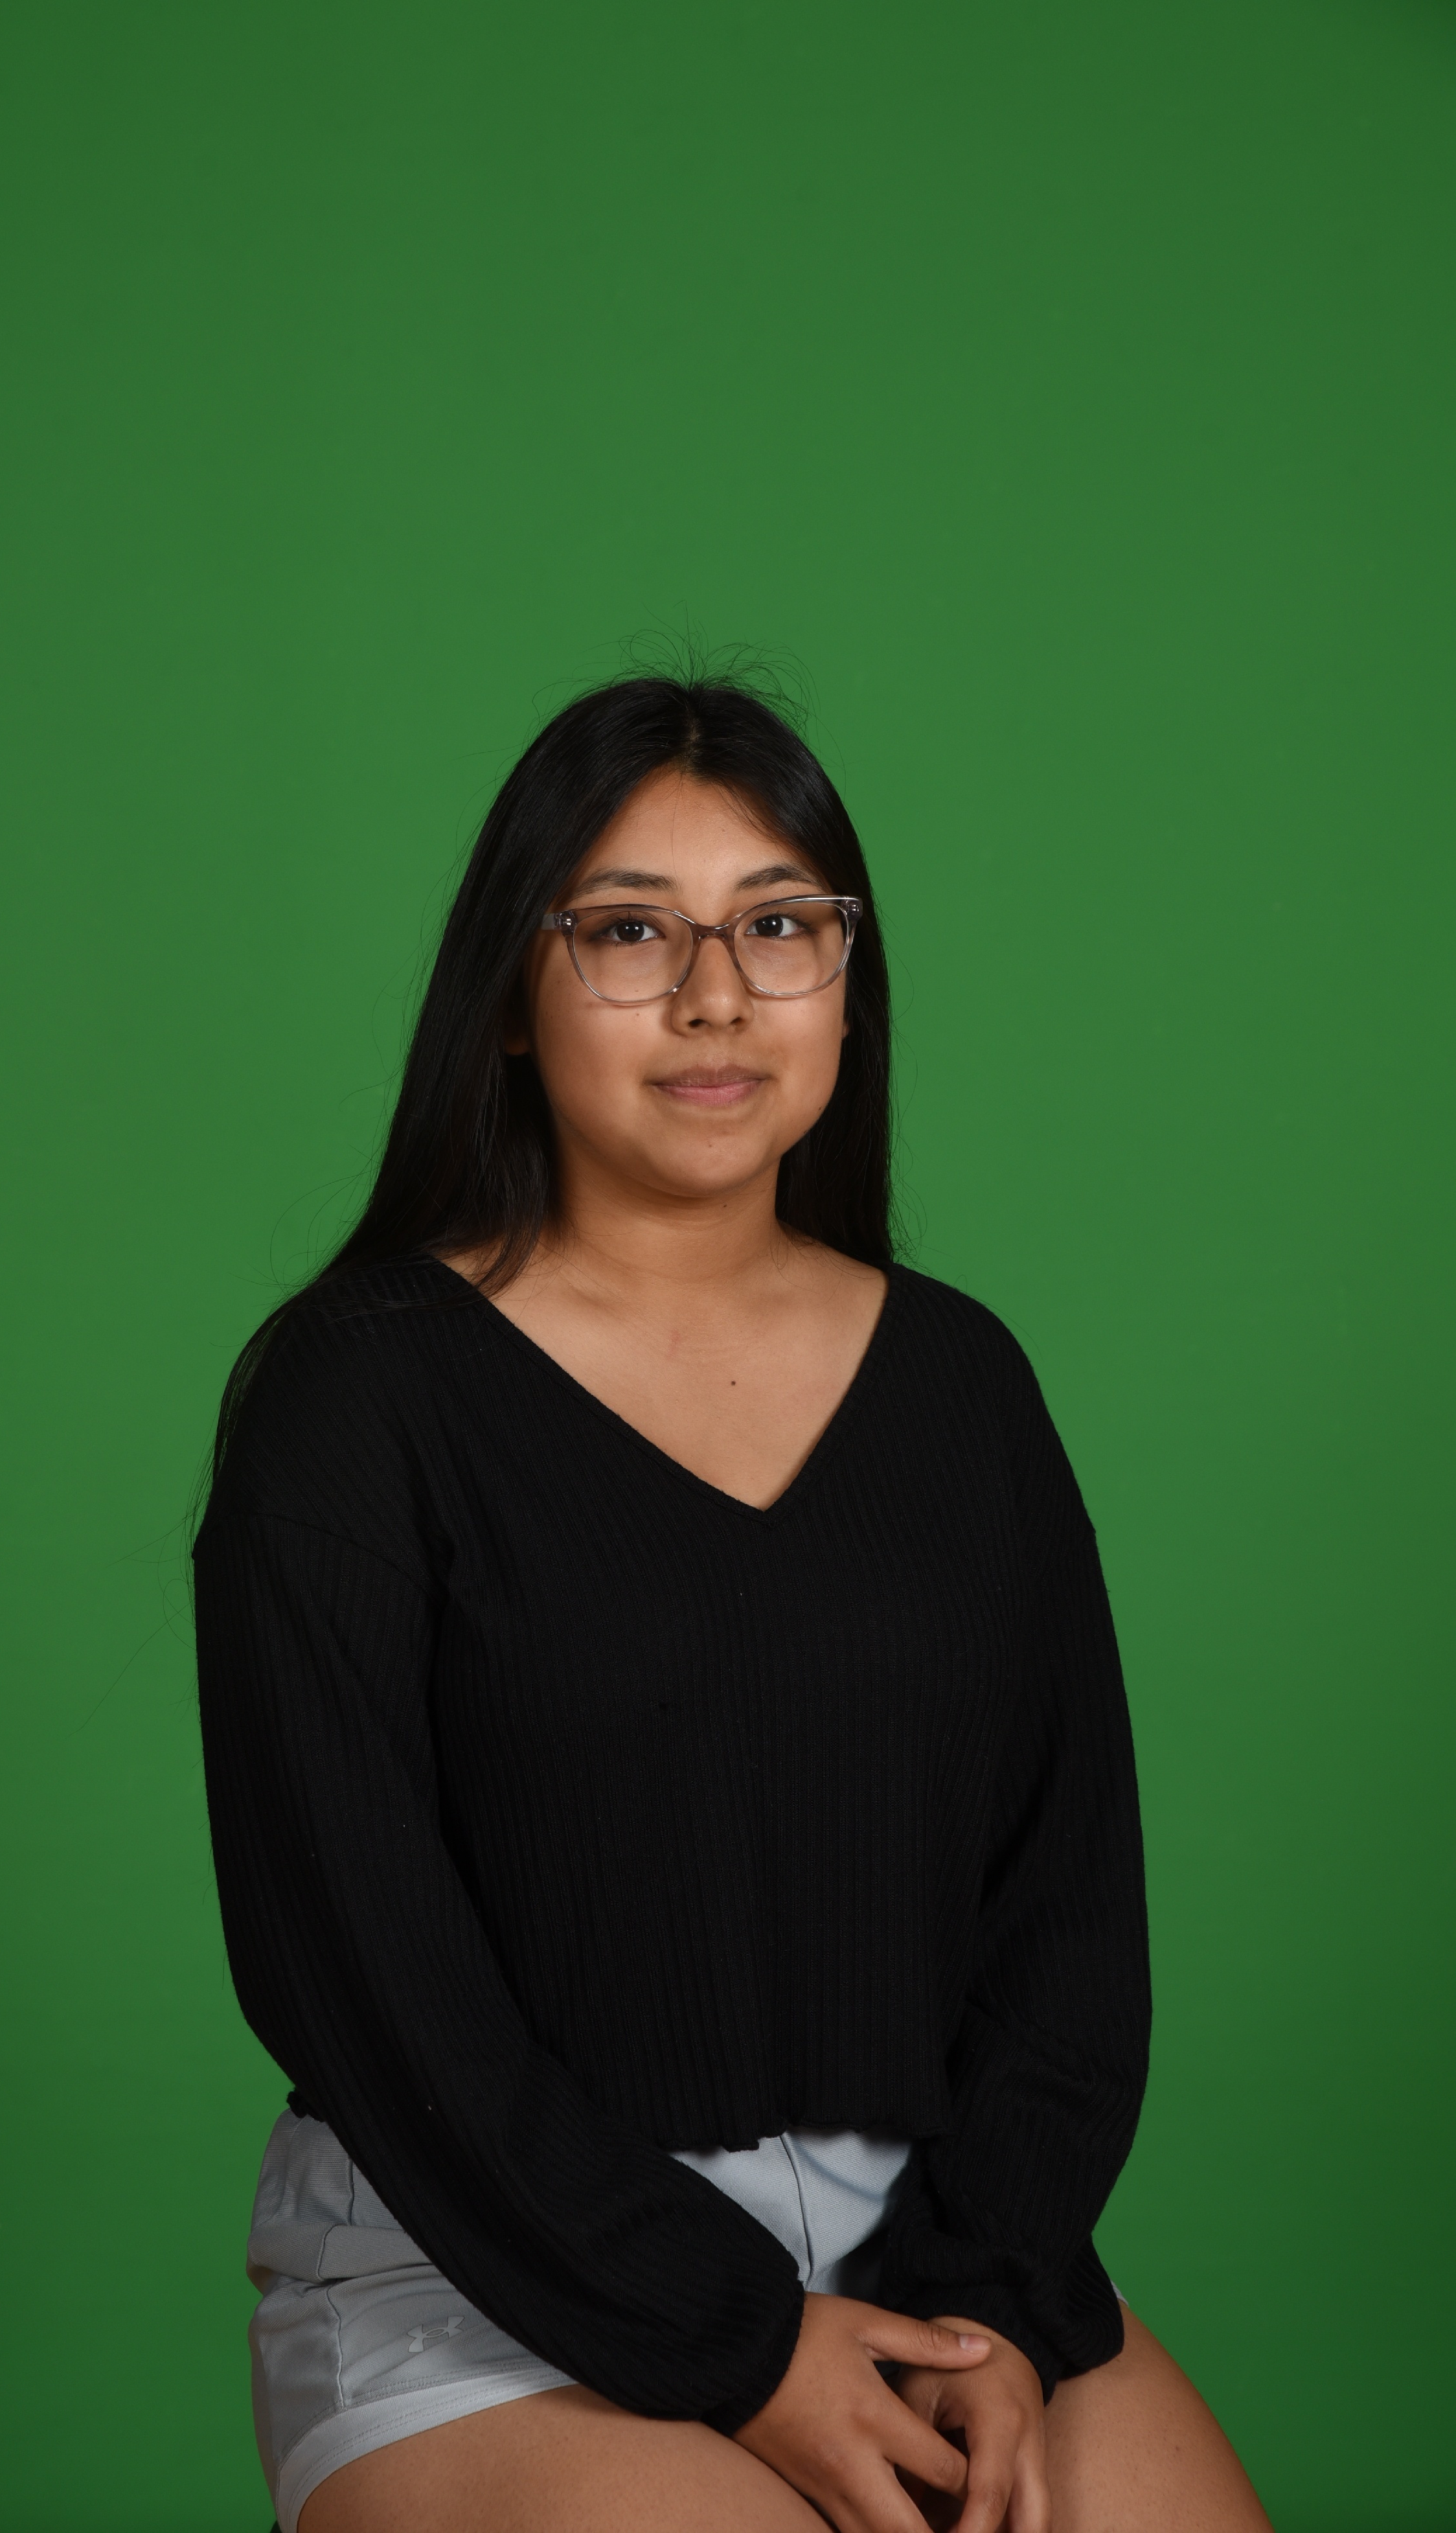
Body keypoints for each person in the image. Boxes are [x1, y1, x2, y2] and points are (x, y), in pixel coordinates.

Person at [194, 671, 1271, 2533]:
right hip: (474, 2264)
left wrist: (991, 2298)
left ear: (846, 976)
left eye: (779, 926)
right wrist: (747, 2345)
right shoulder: (354, 1398)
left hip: (925, 2244)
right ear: (511, 993)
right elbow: (365, 1978)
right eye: (630, 931)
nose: (716, 996)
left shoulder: (961, 1385)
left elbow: (1069, 1925)